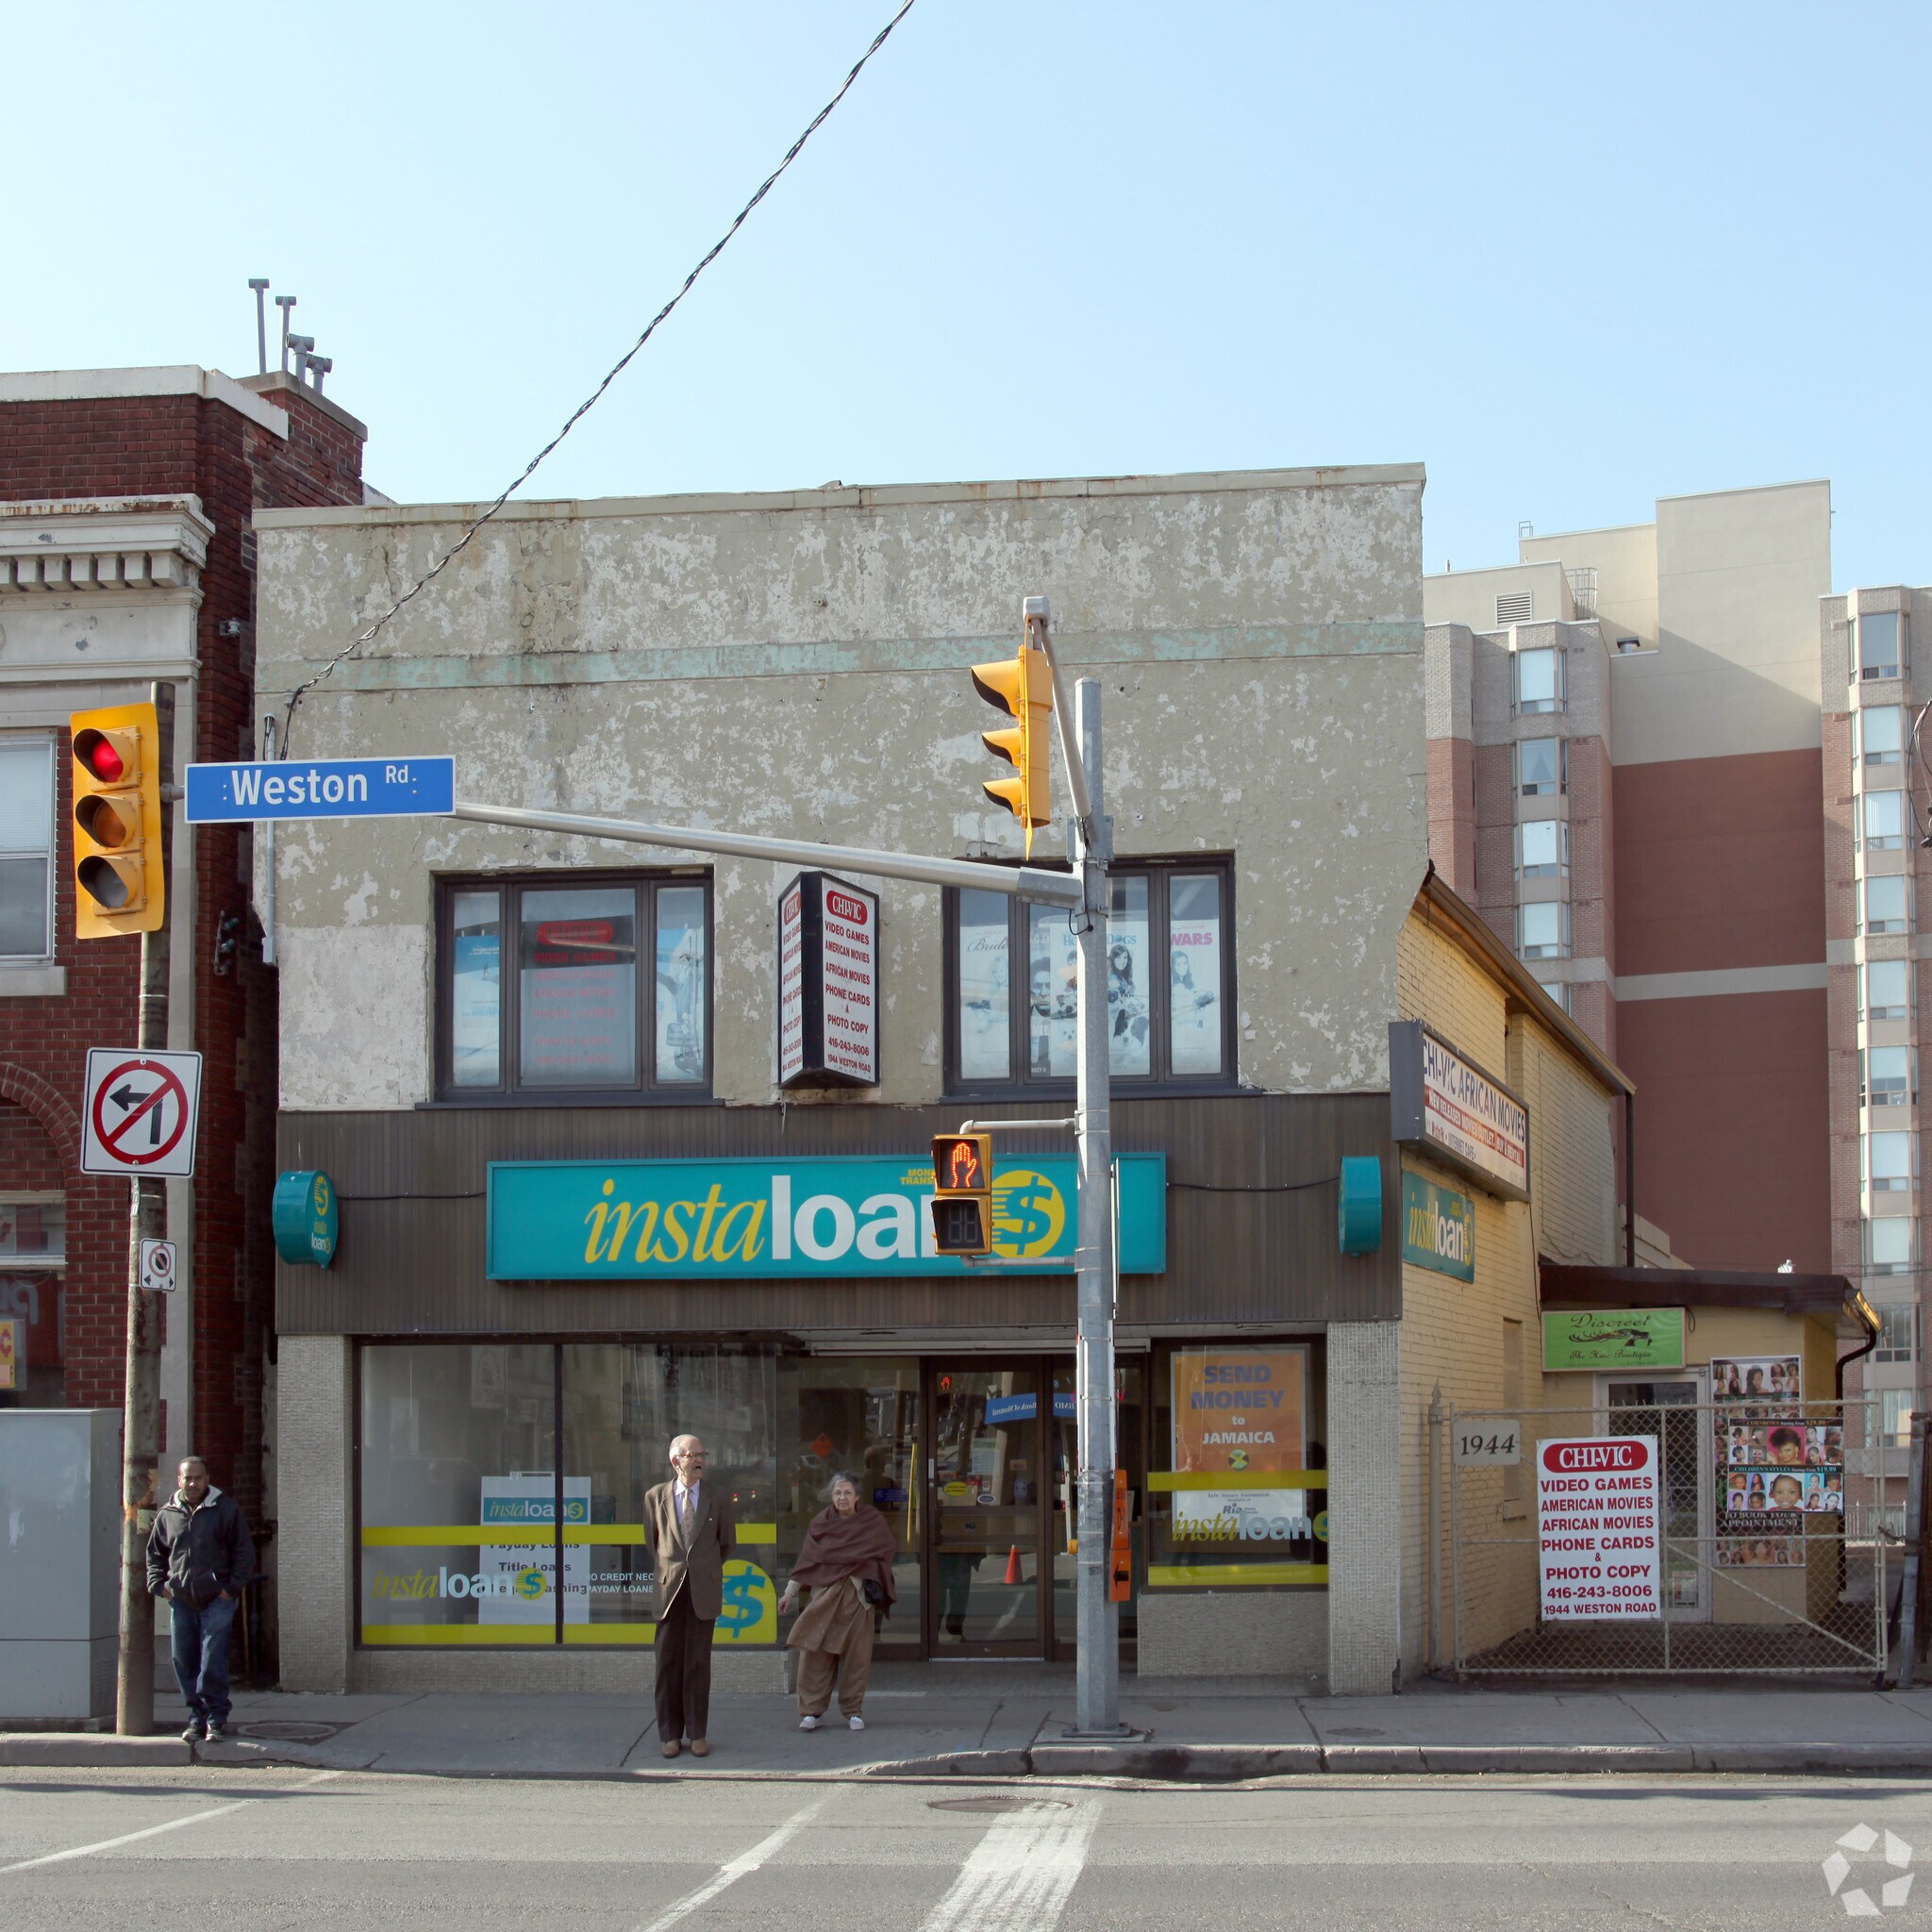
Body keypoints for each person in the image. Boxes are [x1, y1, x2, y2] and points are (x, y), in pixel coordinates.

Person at [145, 1457, 255, 1745]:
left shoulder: (225, 1509)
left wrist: (229, 1589)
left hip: (217, 1599)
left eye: (198, 1478)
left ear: (207, 1479)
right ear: (179, 1480)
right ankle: (196, 1717)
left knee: (211, 1660)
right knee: (183, 1659)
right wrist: (160, 1585)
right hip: (181, 1600)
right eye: (187, 1478)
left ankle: (216, 1718)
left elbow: (244, 1552)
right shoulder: (168, 1513)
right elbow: (155, 1553)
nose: (193, 1484)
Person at [778, 1472, 896, 1732]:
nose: (842, 1498)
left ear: (857, 1497)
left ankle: (853, 1711)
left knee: (857, 1658)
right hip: (825, 1598)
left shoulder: (871, 1521)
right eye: (837, 1493)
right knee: (814, 1654)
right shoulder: (821, 1524)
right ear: (831, 1496)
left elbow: (884, 1553)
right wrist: (789, 1593)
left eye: (847, 1493)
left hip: (858, 1599)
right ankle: (812, 1712)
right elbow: (807, 1560)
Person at [643, 1434, 735, 1759]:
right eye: (692, 1455)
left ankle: (697, 1734)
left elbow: (726, 1544)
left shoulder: (718, 1497)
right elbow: (652, 1544)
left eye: (702, 1454)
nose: (699, 1460)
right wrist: (676, 1568)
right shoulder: (655, 1497)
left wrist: (702, 1569)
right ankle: (670, 1735)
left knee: (697, 1663)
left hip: (703, 1590)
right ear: (675, 1460)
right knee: (667, 1663)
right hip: (669, 1590)